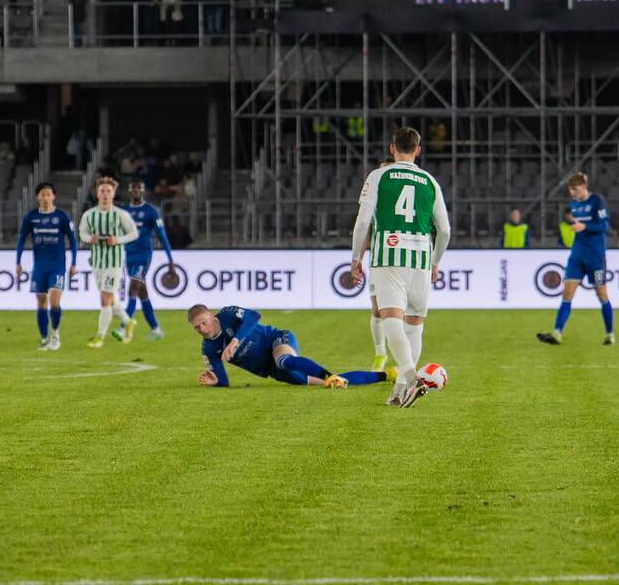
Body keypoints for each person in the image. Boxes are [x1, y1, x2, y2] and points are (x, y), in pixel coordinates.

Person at [350, 127, 451, 408]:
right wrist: (435, 262)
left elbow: (362, 220)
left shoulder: (379, 176)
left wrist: (356, 256)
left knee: (391, 318)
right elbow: (444, 230)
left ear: (392, 148)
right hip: (420, 256)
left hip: (389, 253)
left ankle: (410, 375)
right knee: (415, 323)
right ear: (418, 150)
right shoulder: (430, 181)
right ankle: (399, 390)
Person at [188, 304, 392, 389]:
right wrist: (215, 382)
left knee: (284, 361)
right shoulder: (208, 349)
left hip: (276, 339)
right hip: (272, 371)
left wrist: (234, 341)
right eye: (197, 328)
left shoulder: (228, 314)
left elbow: (254, 316)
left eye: (204, 322)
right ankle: (388, 375)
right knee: (334, 384)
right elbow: (224, 381)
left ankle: (328, 373)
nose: (202, 329)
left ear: (211, 315)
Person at [536, 172, 614, 346]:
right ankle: (556, 333)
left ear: (584, 187)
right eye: (570, 190)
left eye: (575, 189)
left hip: (596, 257)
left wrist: (584, 226)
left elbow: (603, 226)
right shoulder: (573, 204)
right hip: (577, 256)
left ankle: (610, 334)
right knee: (567, 293)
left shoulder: (597, 201)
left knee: (602, 294)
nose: (572, 193)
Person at [15, 182, 78, 351]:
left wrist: (74, 263)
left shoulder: (62, 217)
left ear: (53, 197)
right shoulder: (31, 217)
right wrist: (18, 261)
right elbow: (21, 239)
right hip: (39, 267)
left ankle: (55, 335)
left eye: (48, 194)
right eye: (42, 195)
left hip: (57, 266)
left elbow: (73, 240)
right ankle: (44, 339)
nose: (45, 198)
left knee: (54, 301)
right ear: (37, 197)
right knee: (41, 303)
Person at [78, 176, 139, 348]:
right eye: (102, 190)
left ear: (113, 194)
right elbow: (82, 234)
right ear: (97, 193)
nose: (105, 193)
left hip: (114, 263)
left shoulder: (120, 214)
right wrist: (91, 239)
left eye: (108, 191)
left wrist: (118, 240)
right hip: (97, 262)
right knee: (111, 300)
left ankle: (100, 337)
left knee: (105, 298)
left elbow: (133, 233)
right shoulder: (89, 215)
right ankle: (128, 322)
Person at [120, 180, 174, 341]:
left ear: (143, 191)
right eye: (133, 188)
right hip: (129, 255)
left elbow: (162, 235)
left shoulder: (151, 211)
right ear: (130, 191)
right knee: (142, 293)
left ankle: (124, 327)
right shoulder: (123, 210)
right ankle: (156, 330)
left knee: (133, 289)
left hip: (144, 256)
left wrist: (170, 260)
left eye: (139, 188)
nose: (136, 190)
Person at [366, 157, 395, 372]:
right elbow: (364, 230)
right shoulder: (373, 204)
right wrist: (357, 256)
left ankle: (405, 359)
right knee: (377, 310)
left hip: (404, 260)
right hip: (378, 260)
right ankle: (380, 354)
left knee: (402, 311)